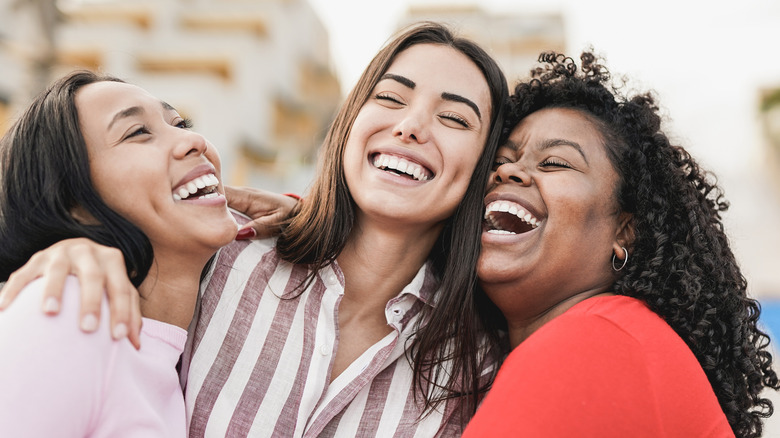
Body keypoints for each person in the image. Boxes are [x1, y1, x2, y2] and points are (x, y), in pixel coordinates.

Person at [0, 23, 509, 436]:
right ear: (349, 122)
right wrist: (64, 249)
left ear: (486, 167)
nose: (412, 126)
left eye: (455, 119)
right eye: (391, 99)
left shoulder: (481, 362)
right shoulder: (222, 255)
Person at [460, 52, 779, 437]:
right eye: (500, 161)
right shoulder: (614, 336)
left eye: (555, 163)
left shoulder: (591, 342)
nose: (507, 170)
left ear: (624, 231)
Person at [0, 71, 239, 435]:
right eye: (138, 132)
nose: (193, 140)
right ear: (76, 205)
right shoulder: (67, 310)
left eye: (180, 123)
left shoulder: (169, 357)